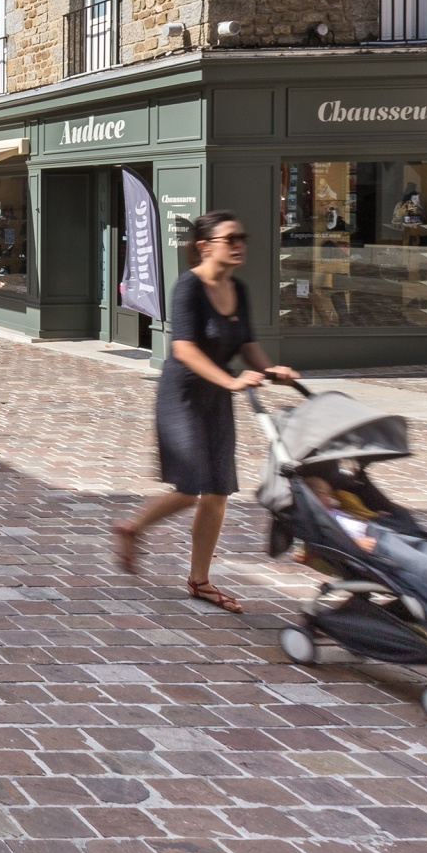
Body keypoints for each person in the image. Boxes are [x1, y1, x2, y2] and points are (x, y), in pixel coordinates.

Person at [112, 209, 299, 612]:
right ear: (204, 246)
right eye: (230, 238)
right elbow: (182, 348)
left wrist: (269, 368)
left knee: (218, 492)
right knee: (188, 490)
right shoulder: (188, 288)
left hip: (216, 400)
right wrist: (232, 380)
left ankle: (199, 580)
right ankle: (131, 527)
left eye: (241, 238)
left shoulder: (238, 289)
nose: (239, 245)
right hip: (182, 397)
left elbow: (247, 343)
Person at [304, 474, 427, 634]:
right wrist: (354, 543)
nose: (330, 497)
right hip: (373, 544)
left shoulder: (338, 510)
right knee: (422, 566)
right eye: (325, 494)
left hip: (382, 531)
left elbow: (360, 510)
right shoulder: (320, 520)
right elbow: (329, 537)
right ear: (316, 497)